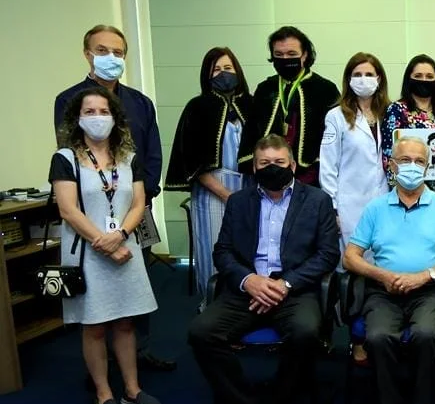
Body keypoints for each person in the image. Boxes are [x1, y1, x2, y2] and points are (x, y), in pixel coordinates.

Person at [187, 135, 340, 404]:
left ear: (293, 165)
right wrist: (249, 281)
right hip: (248, 290)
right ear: (254, 168)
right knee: (201, 332)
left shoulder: (317, 201)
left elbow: (327, 255)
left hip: (293, 290)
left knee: (305, 332)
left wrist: (284, 284)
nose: (272, 168)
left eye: (279, 163)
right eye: (264, 163)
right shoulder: (239, 202)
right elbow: (222, 252)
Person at [54, 24, 171, 371]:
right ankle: (101, 365)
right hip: (90, 211)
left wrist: (143, 197)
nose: (111, 57)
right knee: (96, 293)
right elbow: (69, 153)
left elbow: (152, 153)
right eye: (102, 50)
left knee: (136, 279)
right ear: (87, 54)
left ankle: (138, 352)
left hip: (134, 207)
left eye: (118, 52)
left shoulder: (140, 102)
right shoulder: (69, 99)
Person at [343, 136, 435, 404]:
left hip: (429, 291)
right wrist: (382, 275)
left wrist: (424, 276)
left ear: (427, 167)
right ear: (391, 165)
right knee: (378, 337)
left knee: (426, 335)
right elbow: (350, 257)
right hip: (384, 291)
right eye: (405, 160)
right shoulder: (376, 208)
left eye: (419, 161)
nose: (412, 166)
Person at [50, 87, 161, 404]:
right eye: (90, 112)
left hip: (126, 249)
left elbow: (138, 204)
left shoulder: (128, 158)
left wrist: (120, 236)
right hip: (88, 252)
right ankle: (103, 394)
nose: (97, 118)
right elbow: (68, 210)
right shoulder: (65, 158)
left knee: (126, 322)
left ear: (115, 117)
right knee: (94, 325)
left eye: (104, 111)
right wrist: (104, 243)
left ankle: (132, 389)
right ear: (77, 118)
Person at [164, 46, 252, 308]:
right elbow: (192, 161)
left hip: (249, 188)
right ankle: (214, 309)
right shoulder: (197, 107)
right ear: (207, 75)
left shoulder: (251, 105)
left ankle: (247, 310)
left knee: (248, 251)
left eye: (228, 68)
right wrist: (226, 195)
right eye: (216, 70)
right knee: (213, 251)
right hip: (212, 191)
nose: (223, 73)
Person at [320, 52, 391, 364]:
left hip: (386, 204)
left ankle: (383, 331)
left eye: (369, 74)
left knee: (385, 268)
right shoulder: (336, 116)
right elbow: (328, 167)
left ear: (379, 79)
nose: (364, 80)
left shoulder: (389, 113)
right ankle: (357, 338)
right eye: (357, 74)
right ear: (349, 79)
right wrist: (333, 208)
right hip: (350, 207)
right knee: (354, 275)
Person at [239, 26, 339, 187]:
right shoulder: (265, 89)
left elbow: (334, 135)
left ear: (304, 55)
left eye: (291, 54)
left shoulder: (324, 89)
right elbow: (251, 131)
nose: (285, 59)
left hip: (311, 175)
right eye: (279, 55)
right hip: (269, 174)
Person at [380, 54, 435, 193]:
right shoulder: (396, 110)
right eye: (418, 76)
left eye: (429, 76)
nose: (424, 80)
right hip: (405, 190)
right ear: (409, 79)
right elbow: (388, 155)